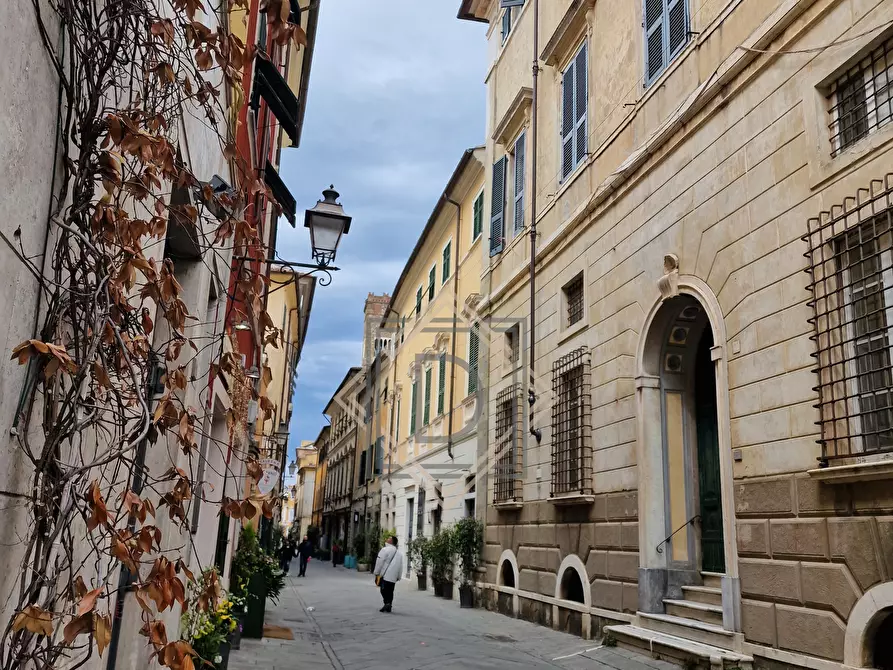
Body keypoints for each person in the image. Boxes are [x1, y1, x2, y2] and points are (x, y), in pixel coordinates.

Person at [372, 535, 403, 613]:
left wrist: (376, 572)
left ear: (391, 541)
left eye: (389, 538)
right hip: (393, 576)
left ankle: (387, 603)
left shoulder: (384, 550)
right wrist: (399, 576)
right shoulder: (399, 553)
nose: (387, 539)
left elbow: (379, 562)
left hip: (385, 575)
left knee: (383, 590)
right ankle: (389, 605)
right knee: (390, 591)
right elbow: (401, 566)